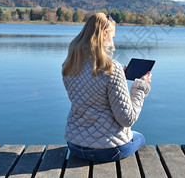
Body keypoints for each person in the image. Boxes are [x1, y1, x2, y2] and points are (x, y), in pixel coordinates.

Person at [62, 12, 152, 162]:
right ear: (104, 34)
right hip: (107, 150)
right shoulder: (112, 68)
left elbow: (91, 89)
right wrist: (140, 87)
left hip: (75, 145)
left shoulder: (70, 65)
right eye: (113, 36)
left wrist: (118, 78)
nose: (113, 42)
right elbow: (127, 119)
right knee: (140, 138)